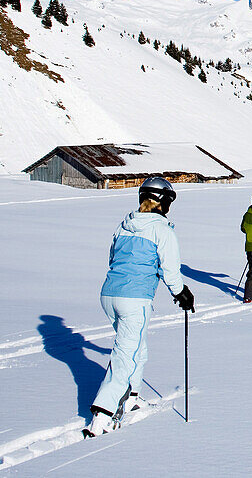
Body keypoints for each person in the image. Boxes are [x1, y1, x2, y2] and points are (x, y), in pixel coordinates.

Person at [84, 177, 195, 437]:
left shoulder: (123, 226)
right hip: (135, 299)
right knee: (126, 354)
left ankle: (132, 396)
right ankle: (103, 413)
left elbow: (113, 258)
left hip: (110, 294)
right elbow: (170, 269)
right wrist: (181, 293)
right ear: (163, 202)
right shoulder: (162, 230)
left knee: (137, 347)